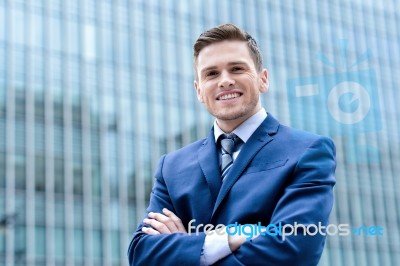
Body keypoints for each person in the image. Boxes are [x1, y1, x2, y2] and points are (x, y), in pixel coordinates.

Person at [127, 23, 336, 266]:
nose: (225, 81)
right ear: (199, 90)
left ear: (263, 80)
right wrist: (226, 239)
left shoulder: (308, 151)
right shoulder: (171, 166)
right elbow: (142, 254)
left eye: (237, 69)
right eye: (211, 74)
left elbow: (293, 250)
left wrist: (187, 249)